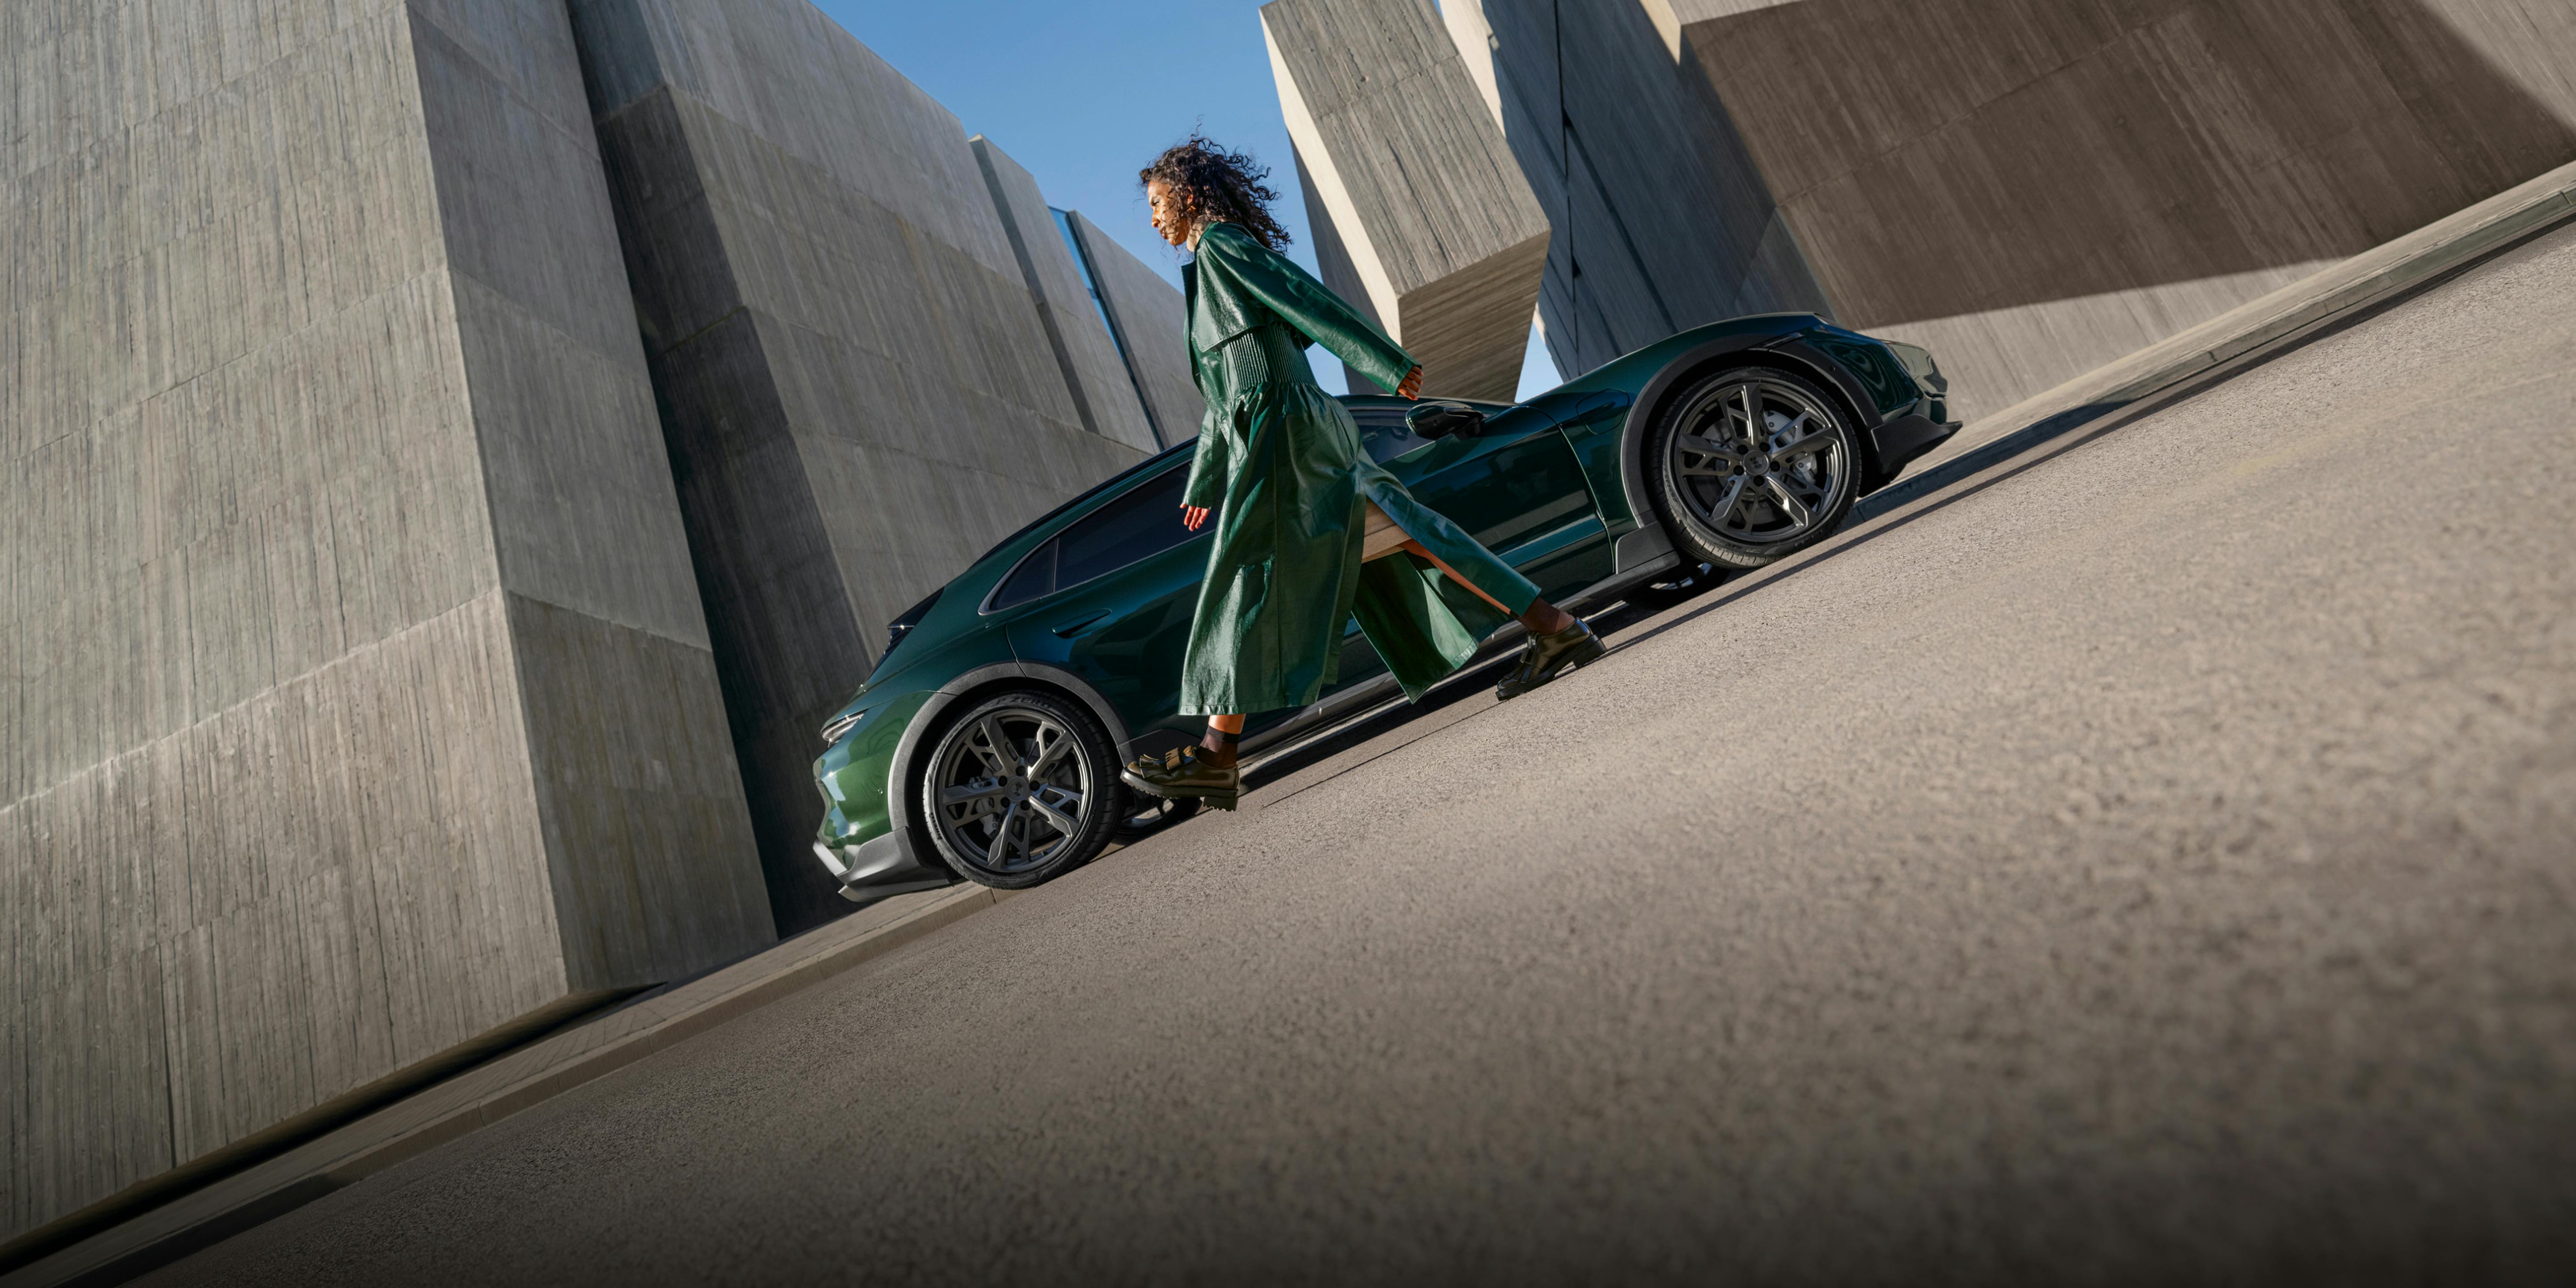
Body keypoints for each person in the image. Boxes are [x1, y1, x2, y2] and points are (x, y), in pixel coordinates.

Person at [1120, 136, 1602, 812]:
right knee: (1412, 536)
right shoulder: (1209, 272)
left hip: (1291, 437)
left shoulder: (1224, 247)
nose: (1152, 219)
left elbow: (1303, 298)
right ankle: (1555, 628)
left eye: (1156, 202)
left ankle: (1214, 758)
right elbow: (1223, 401)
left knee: (1245, 578)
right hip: (1285, 435)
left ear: (1188, 195)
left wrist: (1382, 359)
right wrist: (1205, 481)